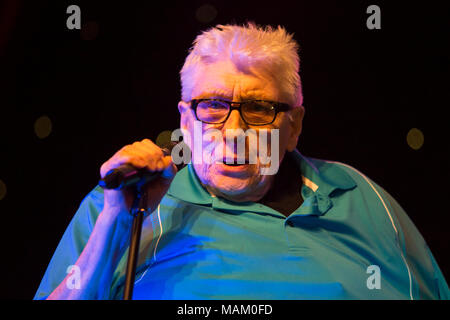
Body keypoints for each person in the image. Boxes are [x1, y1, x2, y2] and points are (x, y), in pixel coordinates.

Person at [34, 23, 449, 300]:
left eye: (258, 108)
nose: (233, 130)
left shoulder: (360, 197)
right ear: (185, 119)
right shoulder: (126, 199)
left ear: (294, 125)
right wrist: (116, 221)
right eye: (212, 106)